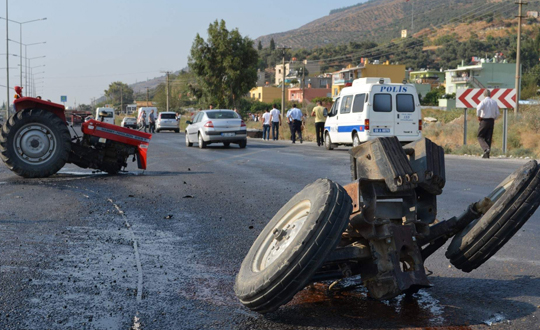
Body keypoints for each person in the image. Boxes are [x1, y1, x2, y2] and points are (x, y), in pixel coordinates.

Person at [476, 89, 500, 159]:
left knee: (480, 136)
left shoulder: (483, 101)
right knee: (488, 137)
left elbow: (478, 108)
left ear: (484, 95)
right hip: (491, 121)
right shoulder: (494, 102)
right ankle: (487, 154)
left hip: (484, 120)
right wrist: (494, 118)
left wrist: (479, 116)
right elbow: (498, 113)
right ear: (490, 94)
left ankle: (486, 149)